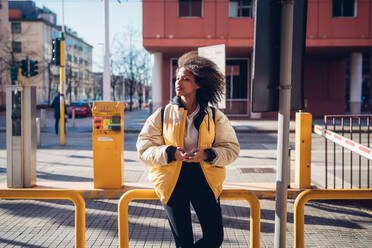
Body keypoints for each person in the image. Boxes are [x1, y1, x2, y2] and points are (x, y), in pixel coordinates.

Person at [137, 52, 240, 248]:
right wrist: (170, 153)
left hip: (204, 179)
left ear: (198, 84)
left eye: (185, 78)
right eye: (177, 78)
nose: (179, 82)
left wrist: (208, 154)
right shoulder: (162, 114)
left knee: (214, 238)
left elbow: (232, 149)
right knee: (183, 243)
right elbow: (144, 148)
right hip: (171, 181)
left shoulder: (214, 115)